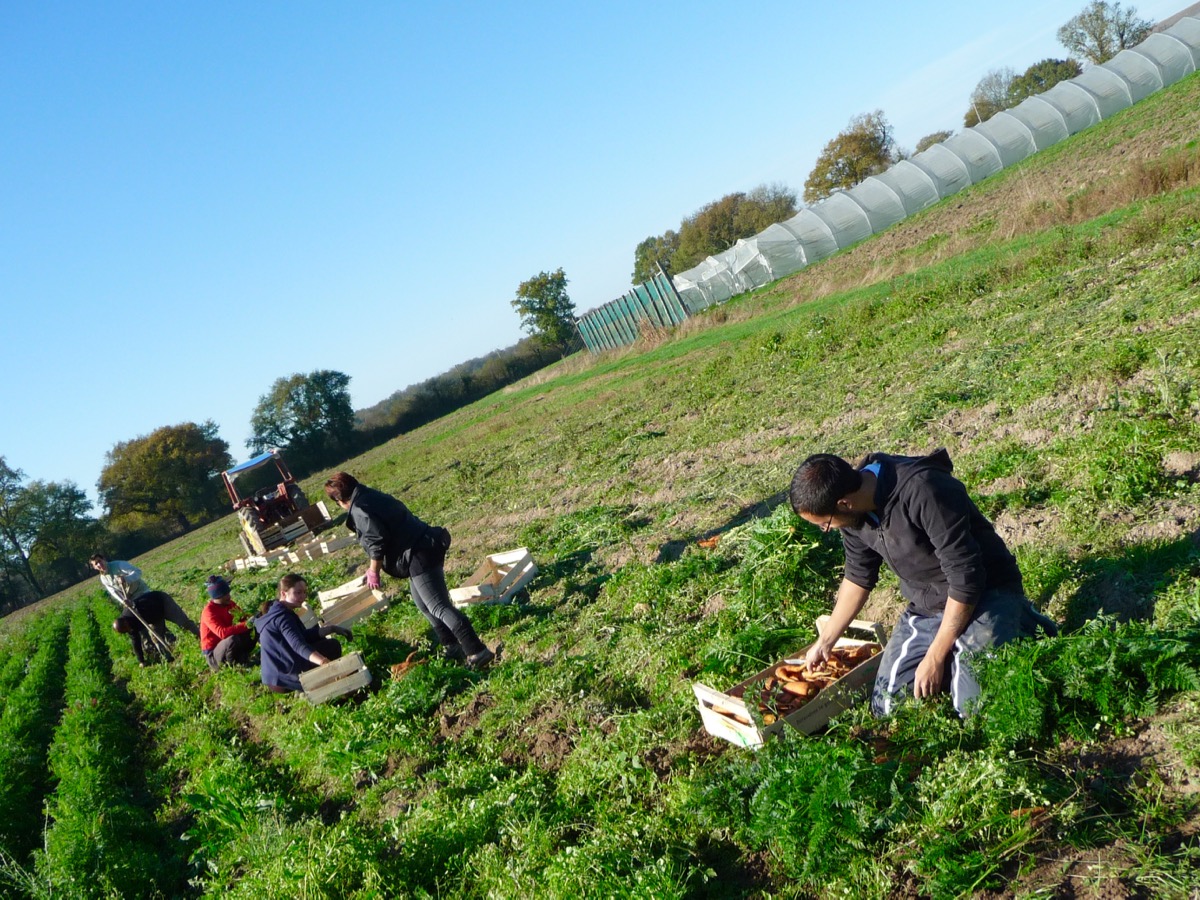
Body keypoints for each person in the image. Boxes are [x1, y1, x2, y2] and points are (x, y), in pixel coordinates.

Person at [788, 449, 1057, 717]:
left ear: (844, 503)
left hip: (985, 591)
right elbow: (858, 574)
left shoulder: (924, 489)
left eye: (825, 524)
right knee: (887, 707)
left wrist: (936, 656)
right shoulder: (855, 511)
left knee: (970, 709)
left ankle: (1021, 619)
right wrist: (825, 642)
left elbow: (966, 577)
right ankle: (964, 646)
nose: (827, 529)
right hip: (928, 603)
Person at [323, 471, 498, 669]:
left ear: (339, 500)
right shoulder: (369, 495)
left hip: (419, 552)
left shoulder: (360, 508)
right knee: (424, 605)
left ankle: (477, 651)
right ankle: (451, 645)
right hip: (420, 546)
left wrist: (374, 570)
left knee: (439, 607)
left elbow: (376, 540)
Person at [254, 573, 348, 693]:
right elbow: (298, 645)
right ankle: (328, 687)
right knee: (332, 646)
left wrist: (330, 629)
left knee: (323, 642)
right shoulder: (282, 617)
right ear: (284, 593)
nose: (303, 596)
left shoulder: (277, 611)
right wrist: (325, 663)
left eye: (304, 592)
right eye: (298, 592)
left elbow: (301, 636)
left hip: (275, 677)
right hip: (284, 677)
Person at [90, 553, 200, 644]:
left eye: (100, 561)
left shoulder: (119, 565)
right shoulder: (104, 578)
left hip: (143, 594)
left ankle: (195, 632)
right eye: (96, 564)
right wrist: (123, 600)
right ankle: (169, 639)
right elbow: (113, 592)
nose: (100, 564)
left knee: (157, 614)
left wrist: (126, 579)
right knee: (151, 623)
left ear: (104, 559)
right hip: (132, 600)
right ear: (95, 567)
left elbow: (138, 572)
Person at [199, 575, 256, 671]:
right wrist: (247, 624)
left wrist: (253, 619)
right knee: (232, 639)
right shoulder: (209, 612)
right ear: (217, 596)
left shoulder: (230, 604)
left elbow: (243, 618)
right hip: (213, 655)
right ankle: (233, 667)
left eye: (228, 593)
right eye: (225, 595)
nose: (229, 596)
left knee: (254, 629)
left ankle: (243, 658)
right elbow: (222, 633)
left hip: (226, 648)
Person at [112, 594, 175, 666]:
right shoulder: (127, 626)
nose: (129, 630)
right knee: (156, 637)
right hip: (149, 617)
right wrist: (141, 660)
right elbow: (136, 643)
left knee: (157, 637)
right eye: (126, 631)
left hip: (154, 610)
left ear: (125, 622)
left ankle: (171, 652)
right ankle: (170, 654)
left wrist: (153, 626)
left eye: (127, 628)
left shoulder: (132, 613)